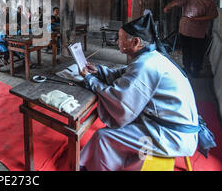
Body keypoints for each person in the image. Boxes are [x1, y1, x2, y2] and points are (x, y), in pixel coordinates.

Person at [78, 13, 200, 171]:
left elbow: (120, 102)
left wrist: (90, 79)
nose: (117, 42)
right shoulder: (151, 56)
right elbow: (125, 74)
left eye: (121, 38)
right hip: (169, 125)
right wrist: (98, 71)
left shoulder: (145, 65)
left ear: (135, 42)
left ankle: (93, 166)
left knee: (104, 136)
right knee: (123, 127)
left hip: (170, 135)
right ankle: (99, 162)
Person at [164, 0, 218, 77]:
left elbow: (214, 15)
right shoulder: (187, 0)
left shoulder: (208, 2)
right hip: (185, 31)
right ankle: (187, 67)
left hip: (198, 33)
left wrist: (198, 19)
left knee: (197, 52)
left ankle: (196, 70)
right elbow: (176, 2)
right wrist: (168, 6)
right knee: (186, 50)